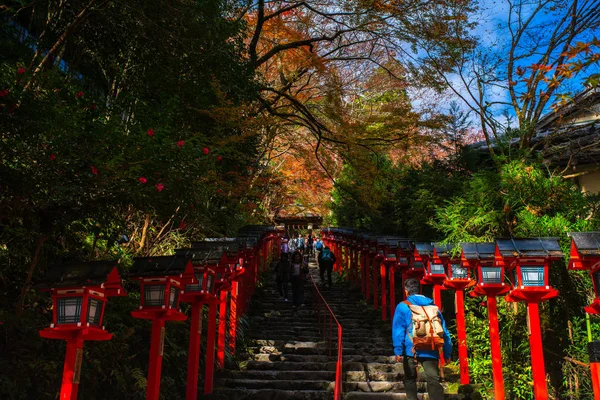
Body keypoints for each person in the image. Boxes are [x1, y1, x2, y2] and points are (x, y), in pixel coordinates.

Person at [392, 278, 452, 400]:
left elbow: (398, 330)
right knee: (433, 380)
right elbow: (444, 331)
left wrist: (398, 350)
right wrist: (447, 352)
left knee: (409, 378)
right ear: (419, 290)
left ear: (406, 291)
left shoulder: (403, 306)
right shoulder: (433, 306)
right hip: (431, 346)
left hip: (411, 348)